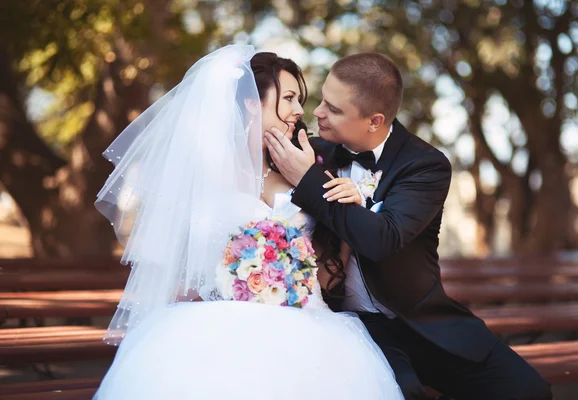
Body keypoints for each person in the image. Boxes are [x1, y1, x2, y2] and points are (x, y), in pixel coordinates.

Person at [92, 45, 404, 400]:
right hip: (222, 320)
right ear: (252, 103)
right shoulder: (204, 173)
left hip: (312, 324)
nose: (300, 110)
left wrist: (345, 201)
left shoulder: (307, 167)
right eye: (288, 98)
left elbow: (332, 253)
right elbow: (180, 265)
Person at [265, 52, 553, 400]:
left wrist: (309, 181)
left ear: (374, 121)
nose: (318, 112)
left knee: (528, 391)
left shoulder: (425, 166)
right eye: (323, 99)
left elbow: (383, 240)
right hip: (352, 324)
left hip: (423, 322)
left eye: (334, 109)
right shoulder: (313, 151)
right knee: (402, 393)